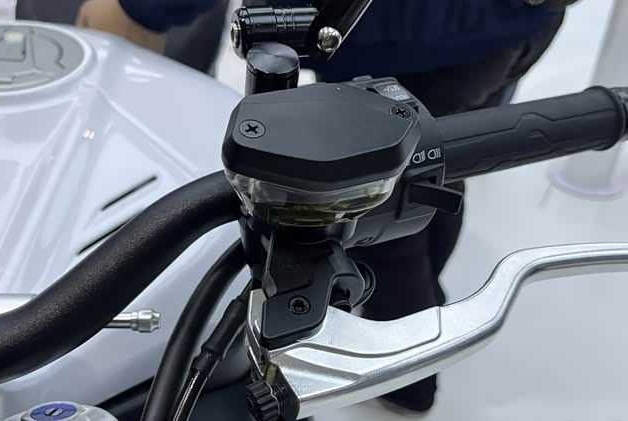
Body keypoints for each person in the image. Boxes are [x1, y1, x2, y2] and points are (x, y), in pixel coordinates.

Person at [28, 0, 578, 412]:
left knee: (391, 202)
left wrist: (143, 7)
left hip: (410, 37)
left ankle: (409, 378)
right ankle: (425, 299)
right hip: (511, 27)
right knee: (439, 167)